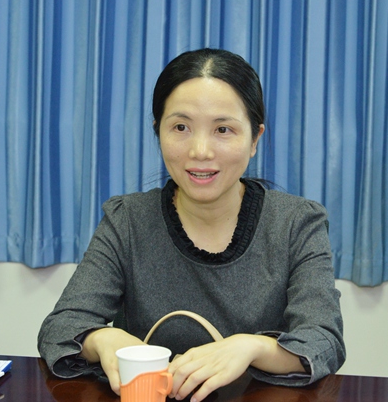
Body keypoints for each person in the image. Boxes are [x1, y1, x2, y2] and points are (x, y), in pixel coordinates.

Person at [38, 48, 345, 402]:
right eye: (181, 127)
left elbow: (324, 340)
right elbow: (60, 328)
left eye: (223, 129)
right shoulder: (127, 220)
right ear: (158, 132)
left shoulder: (297, 224)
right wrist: (103, 339)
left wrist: (253, 347)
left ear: (255, 139)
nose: (200, 151)